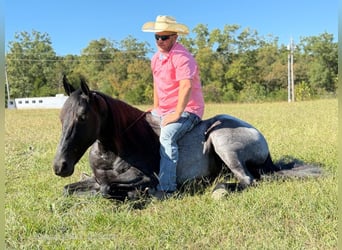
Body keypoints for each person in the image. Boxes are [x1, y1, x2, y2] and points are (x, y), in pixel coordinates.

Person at [142, 15, 205, 199]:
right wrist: (155, 107)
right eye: (157, 37)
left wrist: (177, 113)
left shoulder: (182, 57)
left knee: (168, 136)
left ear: (175, 37)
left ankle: (167, 189)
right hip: (163, 109)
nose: (160, 41)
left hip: (187, 109)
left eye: (165, 37)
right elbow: (157, 84)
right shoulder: (155, 58)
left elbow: (186, 86)